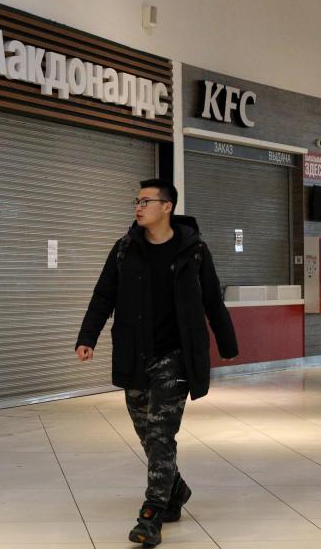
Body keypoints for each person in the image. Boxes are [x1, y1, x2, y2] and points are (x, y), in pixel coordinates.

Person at [75, 178, 238, 547]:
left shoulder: (194, 250)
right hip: (135, 354)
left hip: (176, 358)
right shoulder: (124, 249)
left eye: (147, 201)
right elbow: (103, 296)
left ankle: (151, 514)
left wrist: (227, 343)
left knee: (162, 434)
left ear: (168, 207)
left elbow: (212, 299)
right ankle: (175, 488)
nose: (138, 206)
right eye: (137, 200)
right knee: (146, 432)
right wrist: (87, 338)